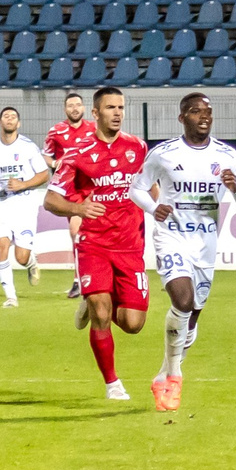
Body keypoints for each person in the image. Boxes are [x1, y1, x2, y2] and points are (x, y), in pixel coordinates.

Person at [129, 93, 236, 413]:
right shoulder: (165, 153)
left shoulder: (227, 155)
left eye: (209, 112)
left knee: (192, 316)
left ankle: (162, 374)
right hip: (171, 237)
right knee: (182, 301)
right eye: (196, 111)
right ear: (182, 117)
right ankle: (174, 377)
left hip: (206, 243)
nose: (204, 117)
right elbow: (136, 188)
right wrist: (154, 207)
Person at [43, 86, 152, 401]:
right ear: (95, 113)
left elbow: (150, 187)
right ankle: (112, 383)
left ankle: (92, 305)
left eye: (120, 107)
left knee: (133, 324)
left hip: (131, 246)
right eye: (110, 108)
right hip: (94, 245)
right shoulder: (76, 153)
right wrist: (79, 208)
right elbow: (51, 200)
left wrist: (162, 213)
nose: (117, 113)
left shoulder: (138, 147)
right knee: (102, 313)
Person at [0, 107, 51, 306]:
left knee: (21, 257)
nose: (10, 119)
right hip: (2, 204)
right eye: (6, 116)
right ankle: (11, 297)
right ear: (0, 122)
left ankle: (30, 262)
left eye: (14, 117)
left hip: (25, 203)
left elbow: (44, 175)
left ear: (19, 124)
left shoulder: (28, 147)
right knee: (0, 246)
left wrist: (23, 184)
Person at [41, 89, 92, 297]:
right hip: (69, 188)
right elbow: (45, 155)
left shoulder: (94, 128)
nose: (74, 108)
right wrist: (54, 163)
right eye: (70, 105)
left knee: (79, 232)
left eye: (78, 105)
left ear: (84, 107)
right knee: (76, 233)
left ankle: (81, 280)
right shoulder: (56, 130)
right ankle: (80, 279)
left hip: (91, 186)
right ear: (65, 109)